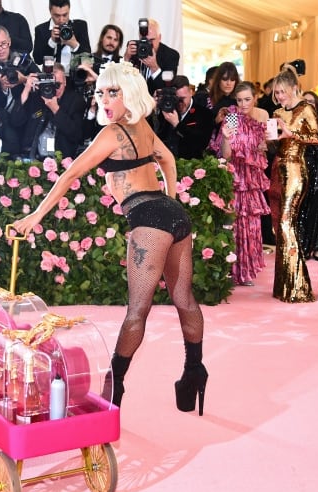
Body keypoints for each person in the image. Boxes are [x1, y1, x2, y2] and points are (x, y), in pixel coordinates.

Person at [12, 62, 207, 415]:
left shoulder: (113, 133)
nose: (104, 99)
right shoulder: (143, 125)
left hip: (149, 217)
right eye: (100, 92)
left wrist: (35, 216)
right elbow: (166, 158)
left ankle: (112, 388)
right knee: (184, 299)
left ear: (129, 94)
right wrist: (172, 198)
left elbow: (69, 175)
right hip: (173, 214)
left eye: (113, 92)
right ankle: (194, 370)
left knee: (137, 311)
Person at [269, 68, 318, 303]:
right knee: (281, 226)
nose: (279, 96)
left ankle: (298, 286)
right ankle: (285, 285)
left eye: (282, 91)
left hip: (296, 169)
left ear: (293, 88)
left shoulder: (306, 109)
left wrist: (292, 134)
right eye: (276, 92)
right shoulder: (278, 111)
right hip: (279, 167)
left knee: (286, 222)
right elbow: (274, 141)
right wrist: (267, 138)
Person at [215, 81, 270, 286]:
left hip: (253, 179)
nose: (243, 104)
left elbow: (265, 147)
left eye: (247, 99)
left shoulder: (262, 116)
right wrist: (227, 139)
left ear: (255, 97)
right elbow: (226, 155)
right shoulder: (231, 117)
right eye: (239, 100)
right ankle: (231, 270)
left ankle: (246, 271)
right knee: (233, 225)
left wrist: (265, 146)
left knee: (252, 225)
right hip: (236, 179)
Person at [16, 62, 85, 160]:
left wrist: (56, 109)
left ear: (65, 81)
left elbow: (76, 135)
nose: (54, 90)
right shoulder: (36, 96)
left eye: (57, 85)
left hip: (61, 159)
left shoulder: (75, 100)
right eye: (50, 85)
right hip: (33, 157)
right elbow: (16, 122)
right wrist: (26, 90)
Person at [154, 74, 213, 160]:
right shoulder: (165, 109)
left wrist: (177, 125)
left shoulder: (204, 113)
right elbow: (154, 136)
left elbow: (201, 144)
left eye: (182, 99)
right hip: (165, 163)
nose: (179, 103)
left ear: (191, 92)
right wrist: (154, 107)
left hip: (191, 166)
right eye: (176, 99)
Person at [298, 91, 318, 261]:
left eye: (311, 101)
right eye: (305, 101)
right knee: (302, 208)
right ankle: (304, 245)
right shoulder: (297, 124)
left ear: (316, 105)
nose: (308, 104)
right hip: (301, 167)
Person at [123, 18, 179, 94]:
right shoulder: (133, 49)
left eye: (151, 40)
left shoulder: (171, 55)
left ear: (159, 38)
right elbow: (122, 80)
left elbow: (167, 87)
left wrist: (154, 68)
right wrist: (126, 58)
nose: (147, 44)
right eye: (143, 40)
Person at [32, 0, 90, 73]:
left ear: (69, 10)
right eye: (57, 15)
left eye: (65, 15)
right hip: (52, 78)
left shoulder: (80, 26)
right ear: (50, 11)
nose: (61, 20)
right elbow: (38, 60)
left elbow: (88, 60)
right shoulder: (41, 30)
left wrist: (75, 45)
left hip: (75, 79)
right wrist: (52, 42)